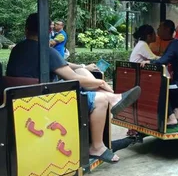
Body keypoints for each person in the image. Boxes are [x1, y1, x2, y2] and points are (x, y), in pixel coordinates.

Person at [7, 13, 141, 163]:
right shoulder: (45, 51)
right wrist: (102, 83)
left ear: (26, 29)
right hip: (45, 102)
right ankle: (97, 145)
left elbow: (61, 65)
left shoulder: (18, 49)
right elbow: (73, 79)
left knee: (82, 72)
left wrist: (83, 66)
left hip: (20, 100)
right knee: (100, 100)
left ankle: (114, 99)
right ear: (47, 31)